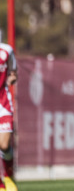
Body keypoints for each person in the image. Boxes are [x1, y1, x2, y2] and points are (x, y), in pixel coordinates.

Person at [0, 35, 18, 191]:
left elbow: (13, 72)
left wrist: (11, 79)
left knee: (4, 145)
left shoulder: (6, 50)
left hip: (3, 103)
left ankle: (8, 175)